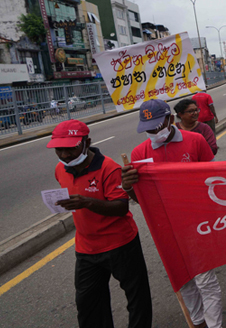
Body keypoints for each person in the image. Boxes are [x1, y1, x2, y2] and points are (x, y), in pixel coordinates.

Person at [121, 99, 223, 328]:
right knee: (183, 280)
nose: (155, 132)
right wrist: (128, 186)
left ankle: (215, 325)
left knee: (205, 279)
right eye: (149, 128)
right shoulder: (139, 152)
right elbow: (142, 200)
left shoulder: (195, 141)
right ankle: (198, 322)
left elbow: (214, 179)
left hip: (198, 223)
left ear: (170, 119)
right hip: (165, 229)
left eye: (158, 125)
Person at [48, 119, 152, 328]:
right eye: (59, 150)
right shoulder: (61, 169)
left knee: (136, 297)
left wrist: (86, 202)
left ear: (87, 143)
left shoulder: (109, 168)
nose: (65, 155)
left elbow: (121, 207)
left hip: (120, 244)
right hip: (86, 248)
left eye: (71, 149)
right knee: (88, 304)